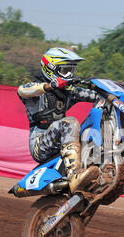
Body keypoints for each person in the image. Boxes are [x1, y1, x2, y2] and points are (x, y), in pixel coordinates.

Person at [17, 47, 101, 193]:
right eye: (65, 70)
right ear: (50, 69)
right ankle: (75, 175)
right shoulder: (36, 89)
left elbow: (96, 95)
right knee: (71, 122)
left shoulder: (68, 92)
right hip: (40, 143)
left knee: (88, 131)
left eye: (71, 71)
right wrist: (51, 85)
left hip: (60, 141)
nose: (69, 75)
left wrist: (117, 89)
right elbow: (22, 90)